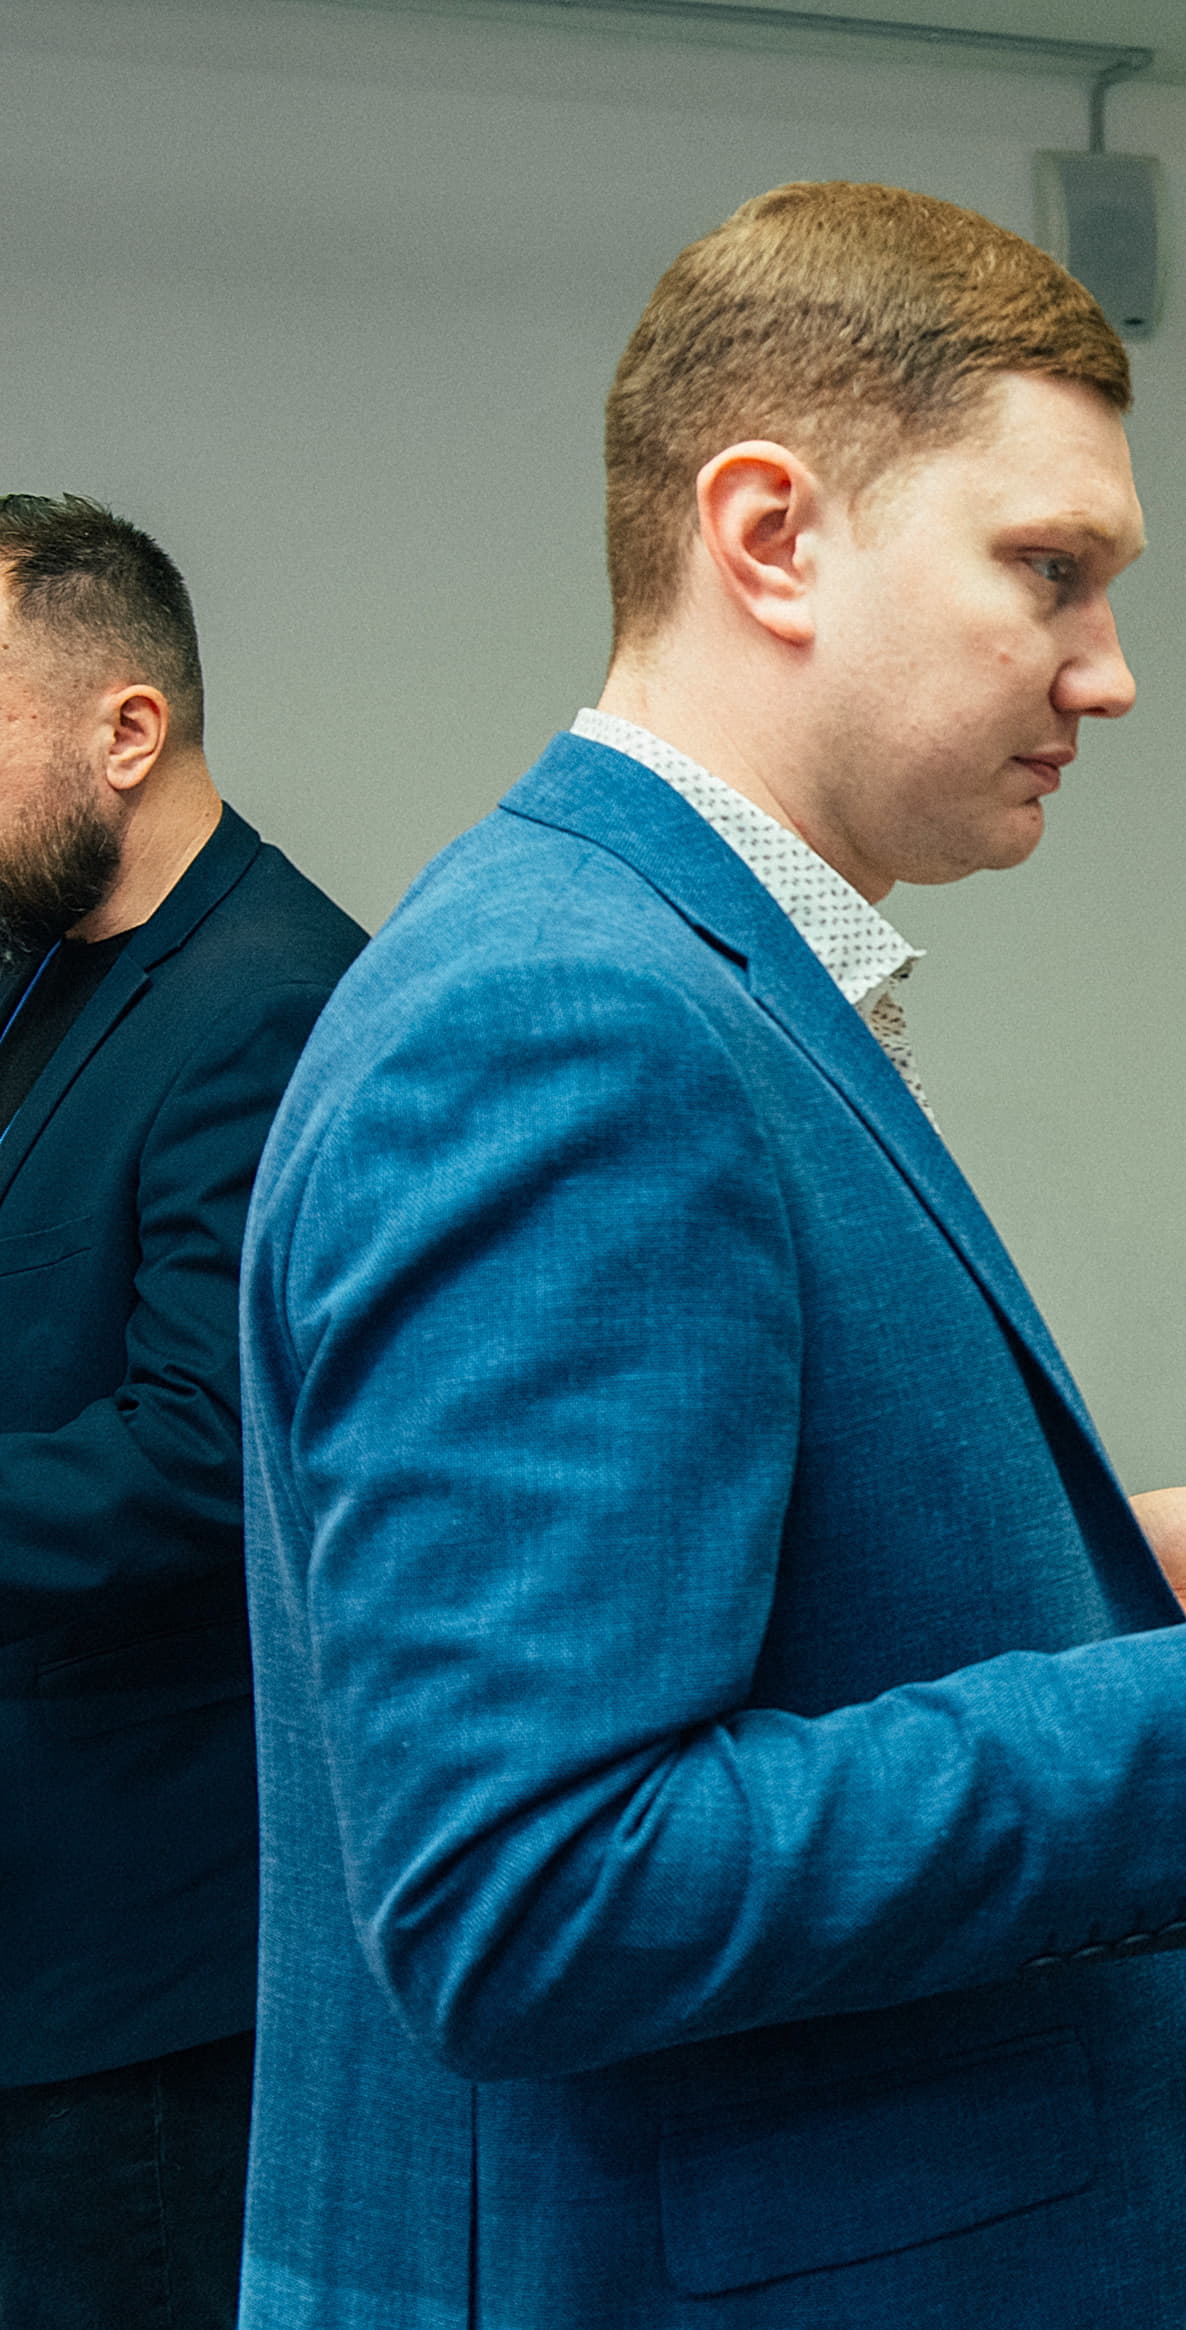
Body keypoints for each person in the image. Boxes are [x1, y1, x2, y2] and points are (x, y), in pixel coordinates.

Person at [235, 183, 1186, 2330]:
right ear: (770, 536)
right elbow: (536, 1889)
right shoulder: (569, 1024)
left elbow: (712, 1622)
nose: (1111, 670)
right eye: (1048, 571)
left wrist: (1079, 1584)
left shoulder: (675, 973)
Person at [0, 497, 362, 2330]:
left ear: (126, 730)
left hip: (142, 1967)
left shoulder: (275, 1001)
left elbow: (205, 1458)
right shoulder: (49, 965)